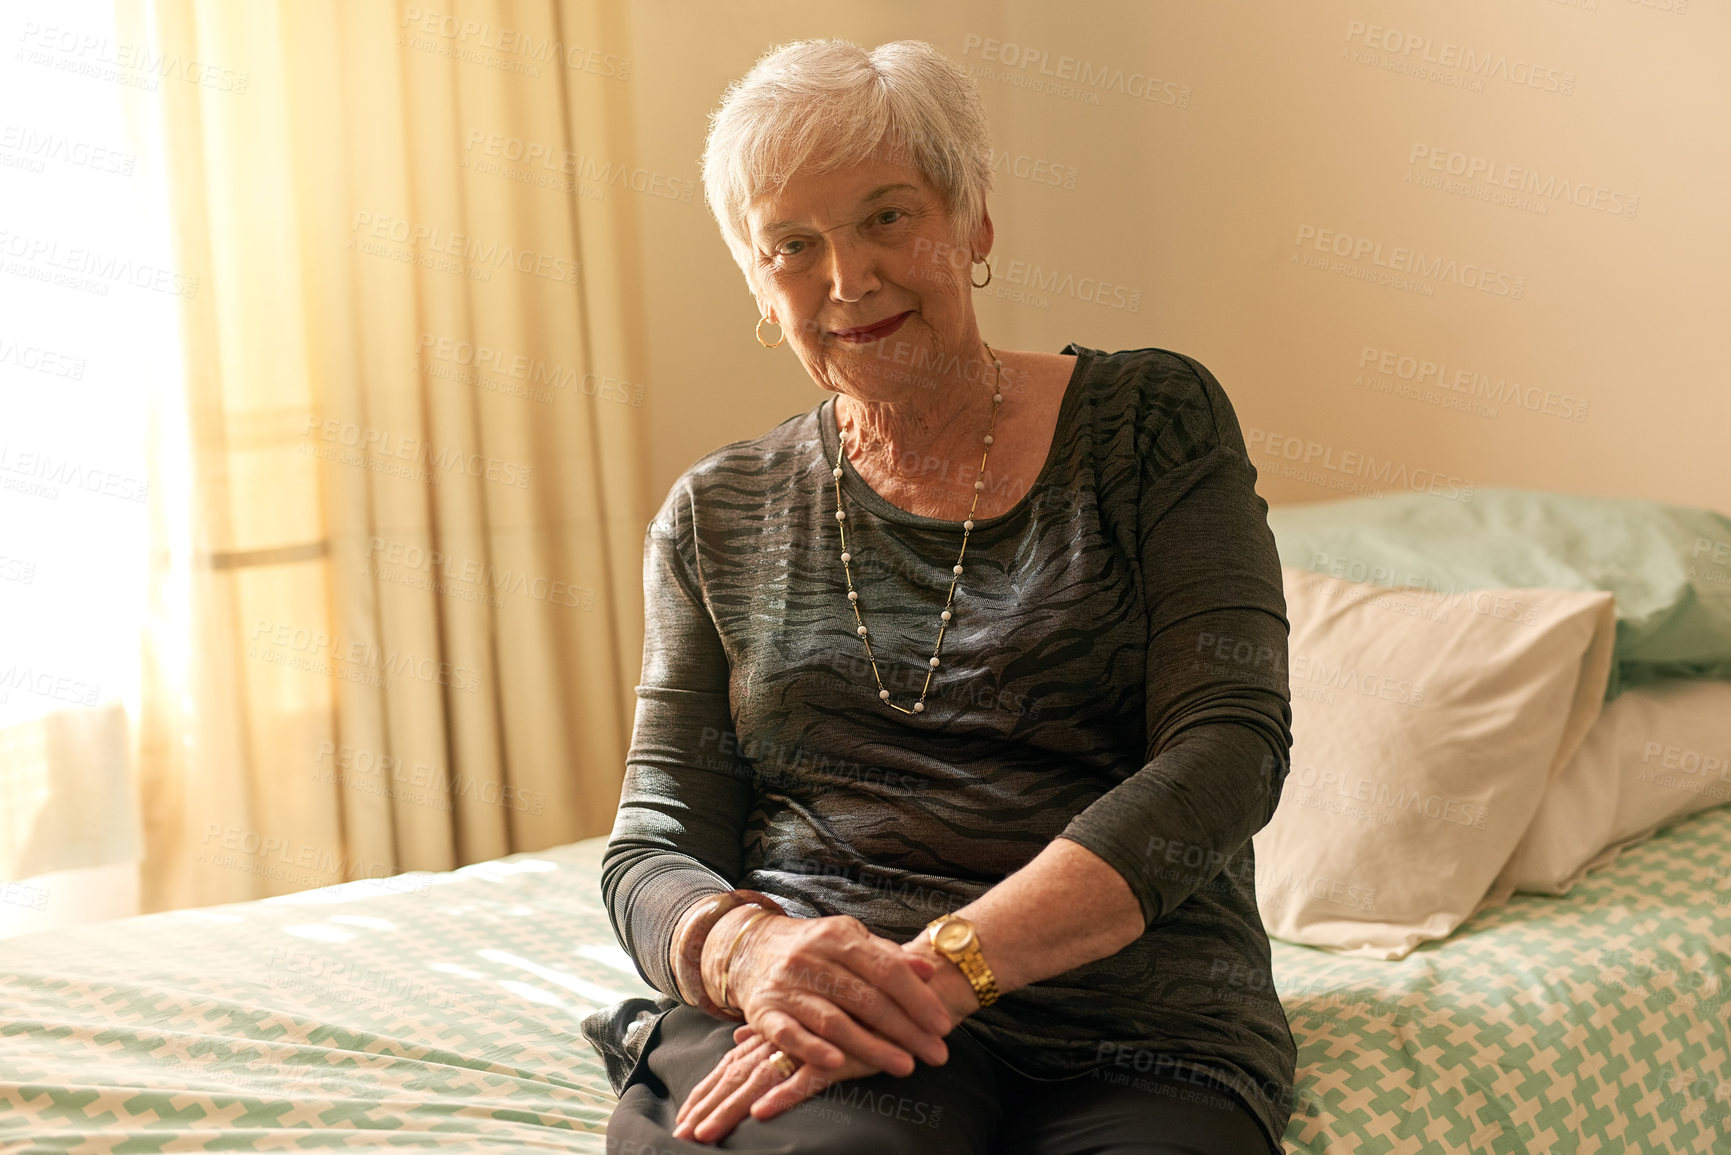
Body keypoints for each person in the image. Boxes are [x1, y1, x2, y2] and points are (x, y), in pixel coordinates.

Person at [580, 36, 1297, 1155]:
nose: (847, 279)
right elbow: (654, 839)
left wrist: (945, 965)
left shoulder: (1152, 423)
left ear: (975, 225)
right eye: (792, 246)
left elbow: (1228, 748)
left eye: (887, 217)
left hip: (1137, 1019)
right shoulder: (712, 514)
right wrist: (750, 952)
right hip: (829, 1014)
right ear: (759, 288)